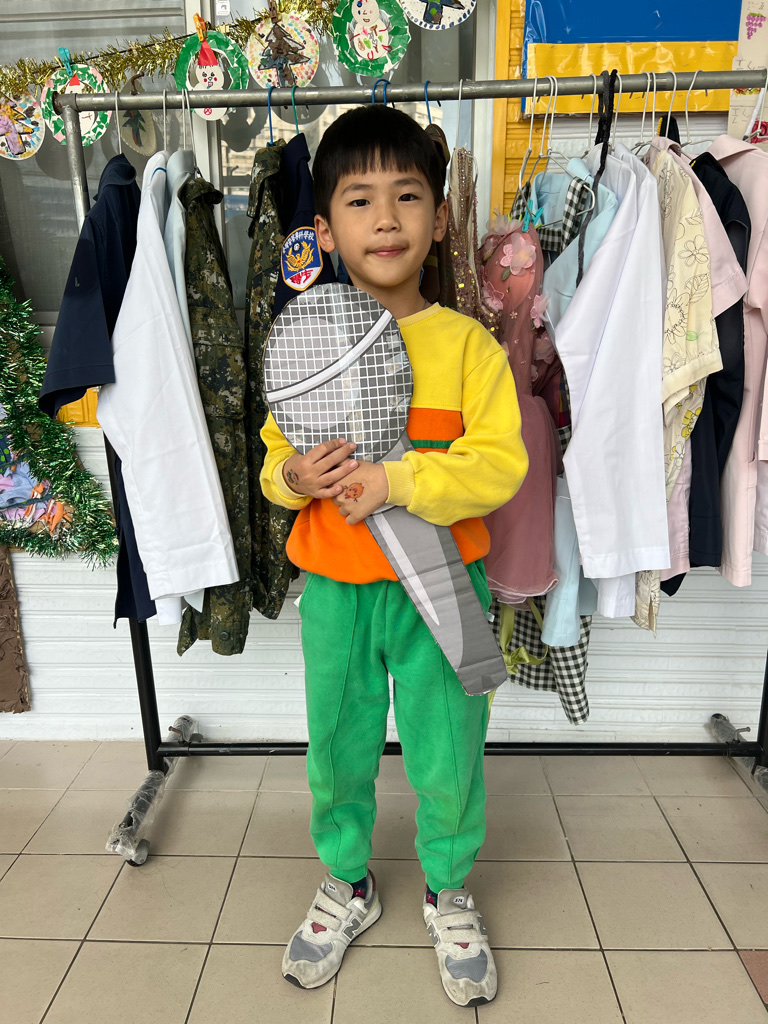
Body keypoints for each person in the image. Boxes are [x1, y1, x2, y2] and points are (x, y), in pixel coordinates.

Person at [260, 103, 527, 1008]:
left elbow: (499, 465)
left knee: (448, 749)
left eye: (407, 196)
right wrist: (295, 474)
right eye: (359, 200)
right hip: (336, 588)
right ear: (325, 228)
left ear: (439, 218)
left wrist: (399, 481)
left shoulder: (468, 346)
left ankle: (450, 891)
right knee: (337, 746)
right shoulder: (306, 340)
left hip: (444, 587)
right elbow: (273, 462)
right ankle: (349, 881)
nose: (385, 219)